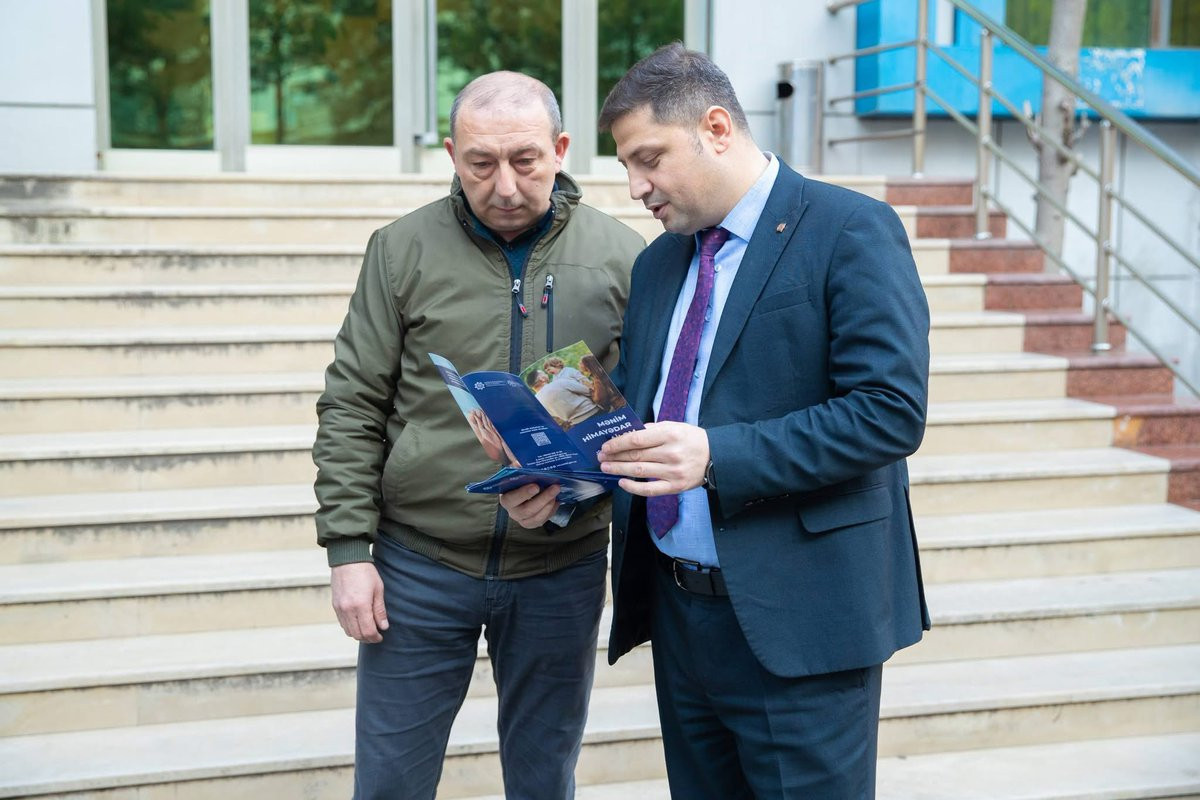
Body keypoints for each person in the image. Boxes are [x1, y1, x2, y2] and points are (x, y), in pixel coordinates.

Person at [502, 43, 930, 798]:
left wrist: (715, 456)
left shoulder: (850, 229)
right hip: (680, 617)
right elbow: (637, 418)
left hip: (801, 621)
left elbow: (889, 412)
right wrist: (555, 475)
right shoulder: (659, 263)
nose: (636, 187)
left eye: (649, 159)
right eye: (627, 166)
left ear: (718, 128)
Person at [313, 70, 644, 800]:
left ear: (561, 150)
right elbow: (353, 404)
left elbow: (641, 418)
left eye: (525, 160)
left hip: (561, 569)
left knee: (543, 781)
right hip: (419, 565)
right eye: (480, 163)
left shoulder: (624, 257)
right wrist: (348, 551)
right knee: (390, 784)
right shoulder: (400, 249)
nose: (504, 186)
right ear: (451, 155)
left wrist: (577, 495)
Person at [526, 366, 601, 427]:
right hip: (595, 413)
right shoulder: (559, 382)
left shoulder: (535, 403)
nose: (546, 374)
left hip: (578, 425)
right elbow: (588, 391)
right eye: (544, 374)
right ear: (542, 379)